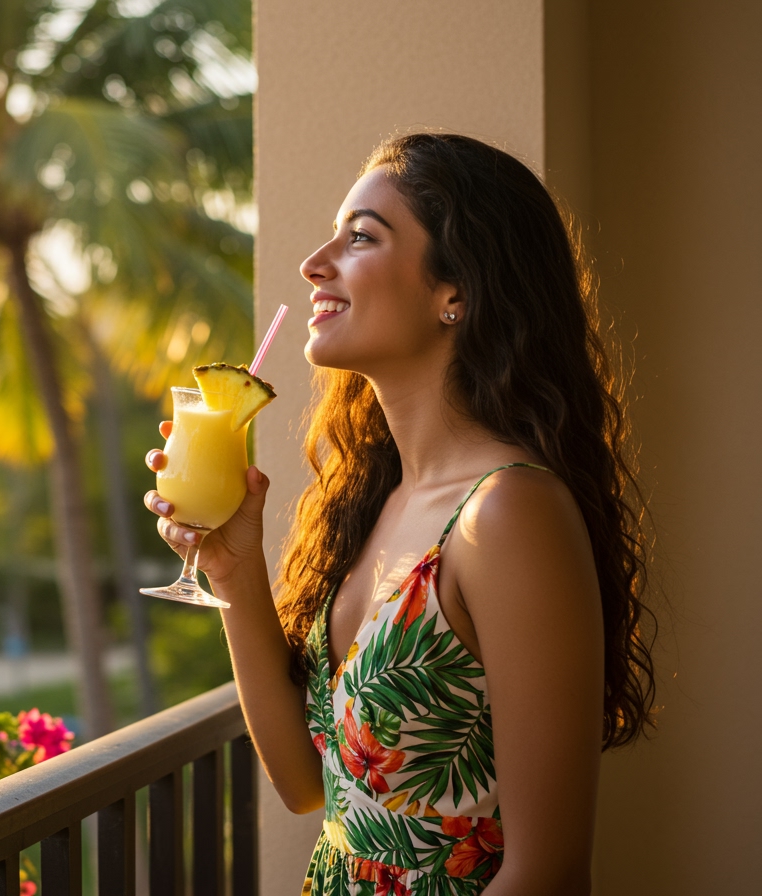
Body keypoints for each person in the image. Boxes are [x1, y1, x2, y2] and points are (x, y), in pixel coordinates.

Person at [144, 133, 655, 895]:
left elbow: (549, 875)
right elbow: (306, 784)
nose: (315, 262)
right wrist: (232, 565)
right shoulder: (379, 503)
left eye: (360, 237)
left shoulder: (509, 514)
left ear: (458, 292)